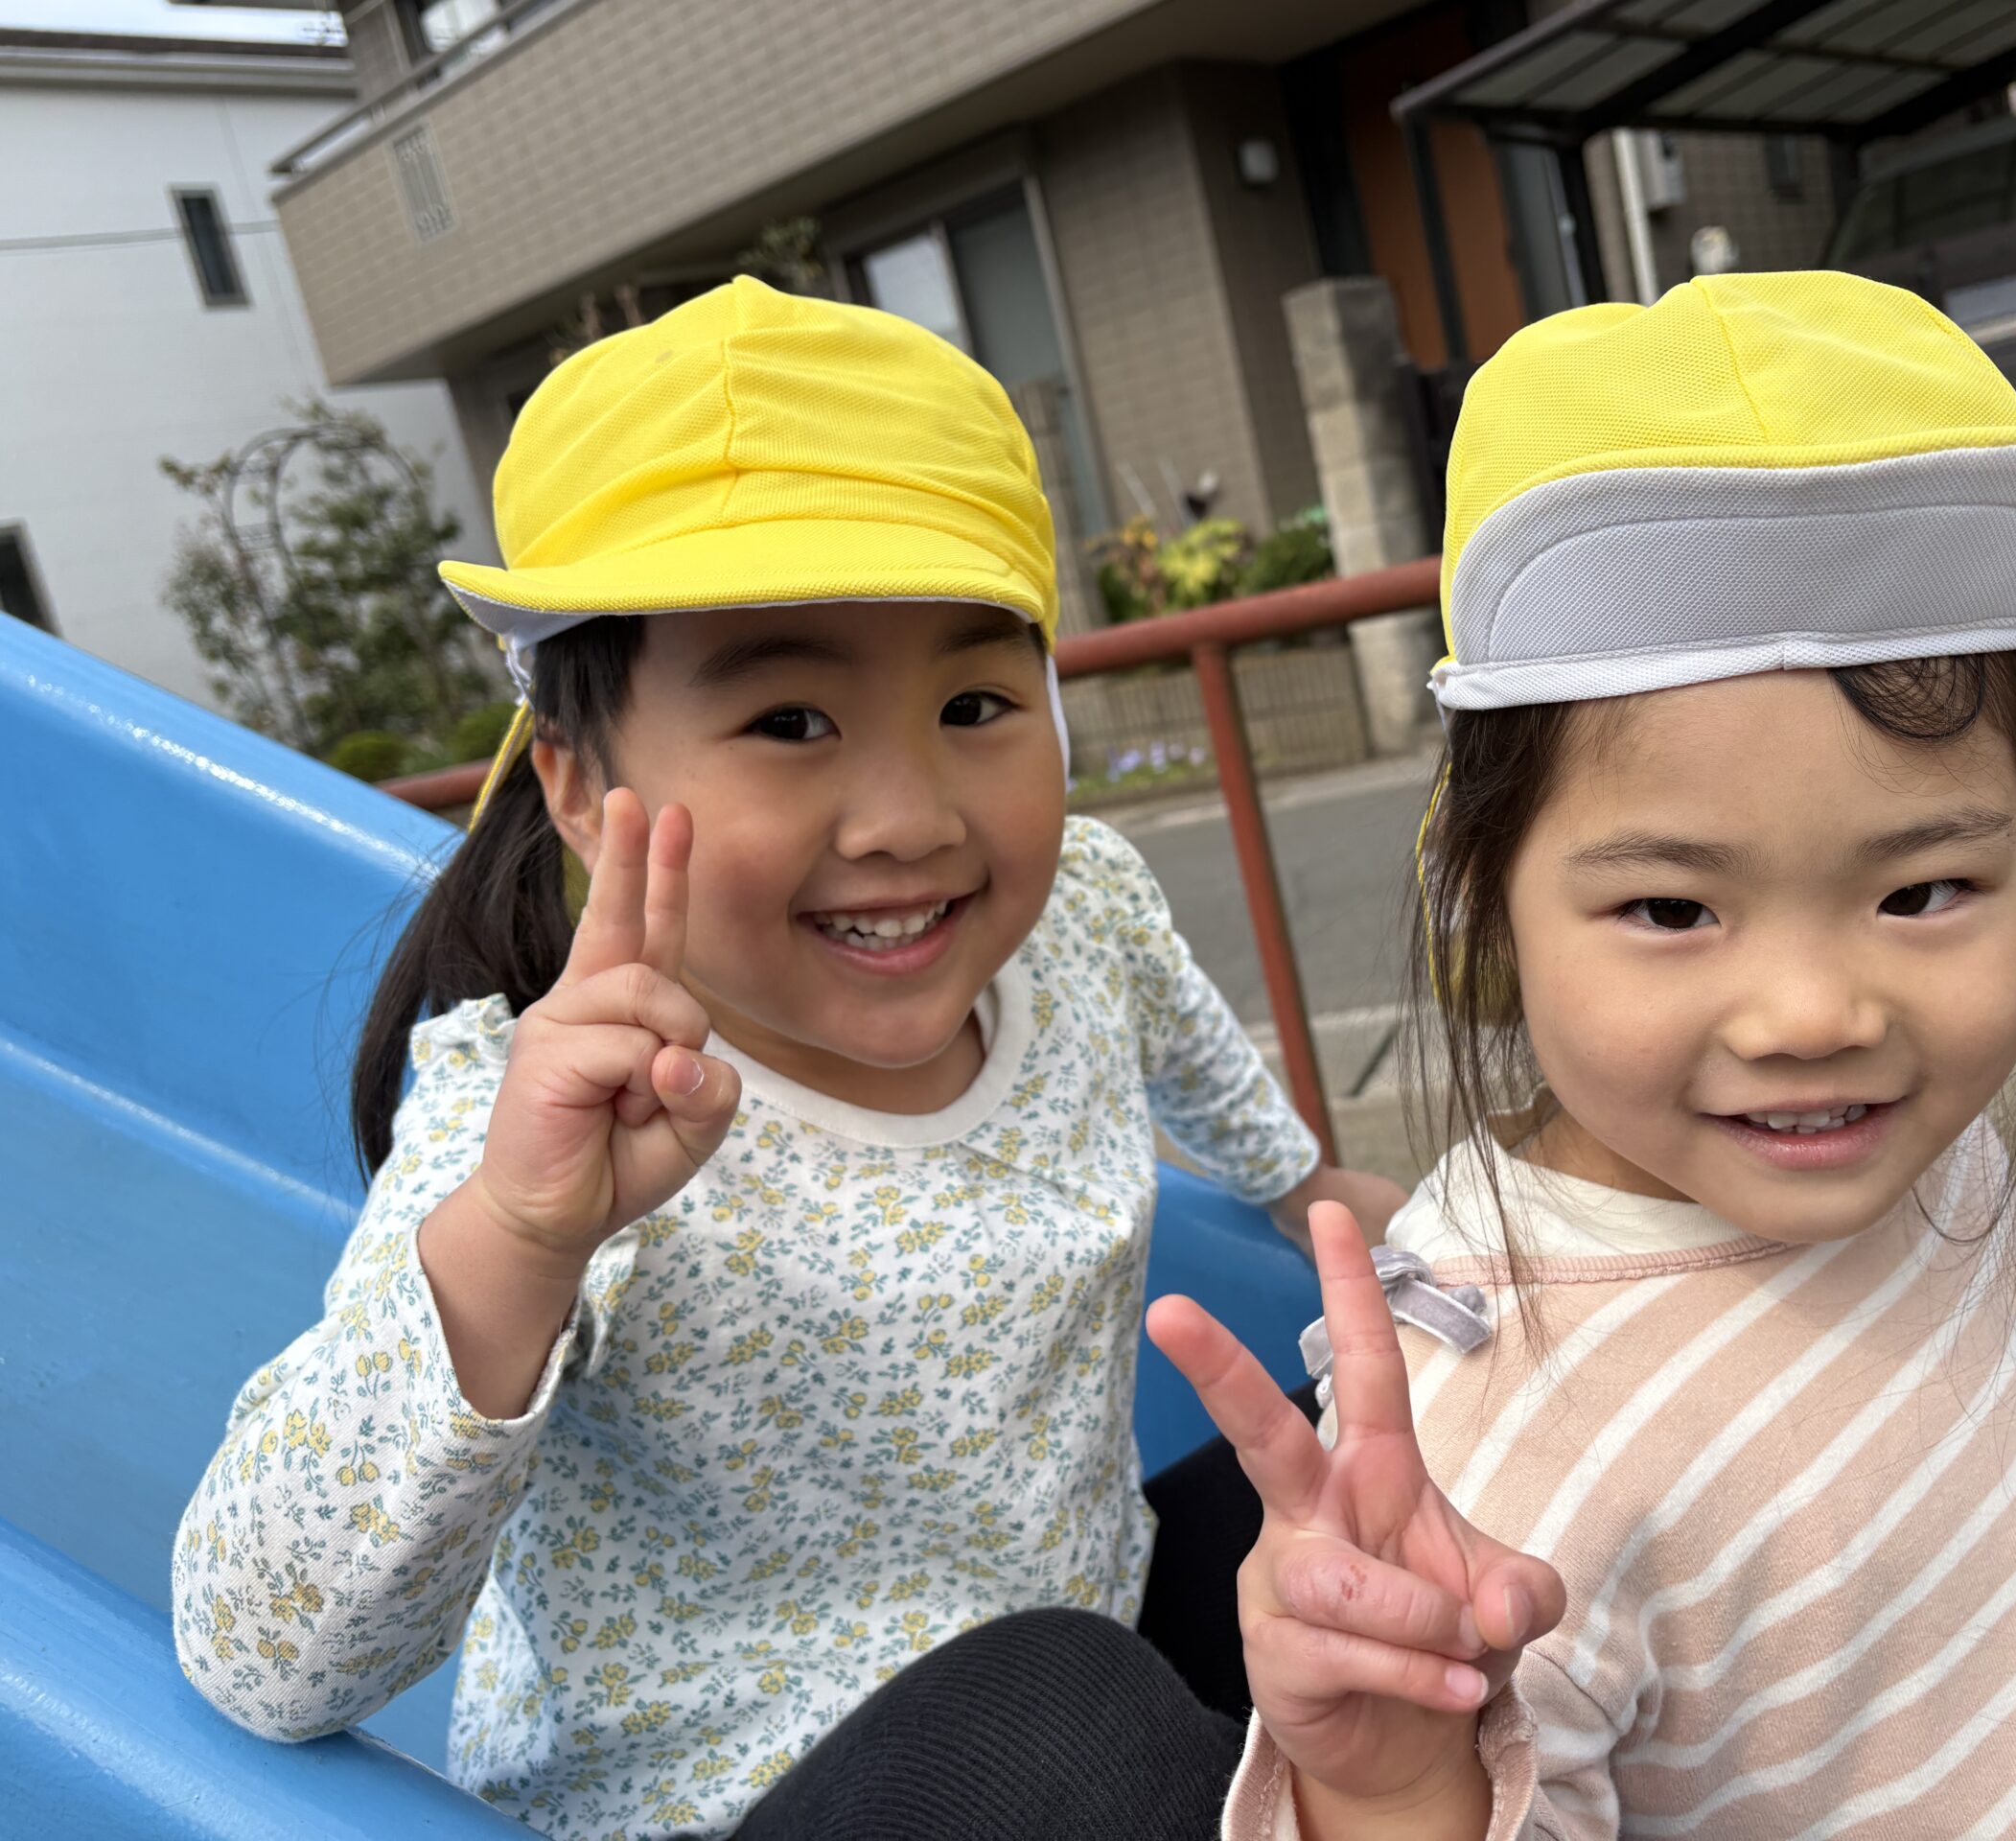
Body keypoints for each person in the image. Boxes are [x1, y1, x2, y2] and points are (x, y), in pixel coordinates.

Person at [170, 277, 1402, 1841]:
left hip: (1073, 1647)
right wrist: (520, 1243)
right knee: (1059, 1712)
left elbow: (1195, 1055)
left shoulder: (1080, 915)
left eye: (975, 702)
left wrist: (1300, 1181)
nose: (909, 818)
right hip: (736, 1801)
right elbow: (264, 1658)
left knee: (1355, 1478)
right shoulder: (551, 1125)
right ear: (579, 787)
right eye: (790, 723)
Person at [1150, 272, 2016, 1838]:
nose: (1814, 1014)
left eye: (1923, 892)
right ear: (1484, 921)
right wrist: (1401, 1785)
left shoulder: (1906, 1161)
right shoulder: (1481, 1452)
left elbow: (1973, 1260)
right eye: (1674, 909)